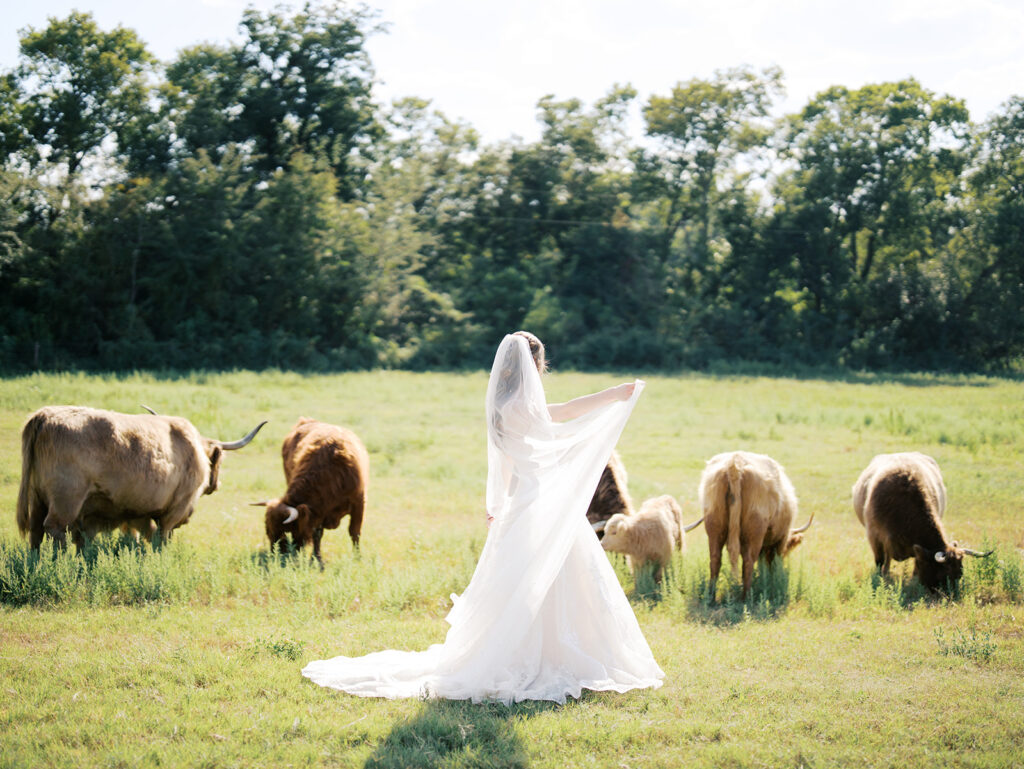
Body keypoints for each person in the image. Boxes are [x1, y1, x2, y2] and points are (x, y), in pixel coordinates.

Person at [301, 331, 664, 704]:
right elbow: (571, 409)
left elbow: (505, 465)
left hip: (522, 502)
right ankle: (563, 655)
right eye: (540, 364)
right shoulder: (529, 406)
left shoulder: (500, 408)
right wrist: (618, 393)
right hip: (545, 503)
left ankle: (538, 651)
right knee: (562, 576)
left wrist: (500, 506)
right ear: (534, 364)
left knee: (525, 582)